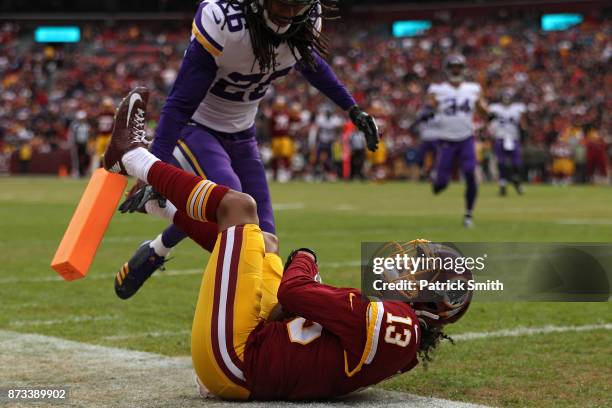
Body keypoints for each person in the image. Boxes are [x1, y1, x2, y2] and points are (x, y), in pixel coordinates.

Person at [105, 87, 471, 401]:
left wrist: (307, 259)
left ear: (431, 298)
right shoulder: (401, 340)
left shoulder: (401, 326)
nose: (406, 266)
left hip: (235, 361)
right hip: (246, 359)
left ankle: (133, 157)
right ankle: (160, 205)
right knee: (265, 242)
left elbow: (295, 292)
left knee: (240, 208)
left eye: (417, 270)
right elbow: (301, 324)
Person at [115, 0, 379, 299]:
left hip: (243, 134)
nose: (289, 13)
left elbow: (312, 64)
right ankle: (163, 212)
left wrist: (353, 109)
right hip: (197, 127)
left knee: (266, 244)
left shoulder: (306, 22)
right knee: (238, 222)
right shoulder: (224, 22)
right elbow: (179, 104)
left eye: (297, 6)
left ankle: (157, 250)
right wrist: (156, 168)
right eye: (283, 3)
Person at [425, 54, 489, 228]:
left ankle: (468, 214)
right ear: (447, 70)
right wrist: (428, 110)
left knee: (470, 173)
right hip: (446, 140)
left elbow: (483, 109)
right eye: (453, 67)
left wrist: (484, 109)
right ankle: (438, 183)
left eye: (458, 67)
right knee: (441, 183)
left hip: (466, 138)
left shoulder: (473, 88)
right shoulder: (438, 89)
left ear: (463, 69)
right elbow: (429, 104)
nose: (456, 70)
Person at [488, 89, 527, 196]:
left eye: (508, 98)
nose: (506, 101)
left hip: (514, 138)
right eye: (504, 98)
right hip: (500, 138)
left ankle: (516, 180)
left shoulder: (518, 109)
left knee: (517, 163)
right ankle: (503, 184)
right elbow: (489, 120)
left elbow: (523, 123)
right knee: (501, 163)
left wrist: (523, 131)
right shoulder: (495, 108)